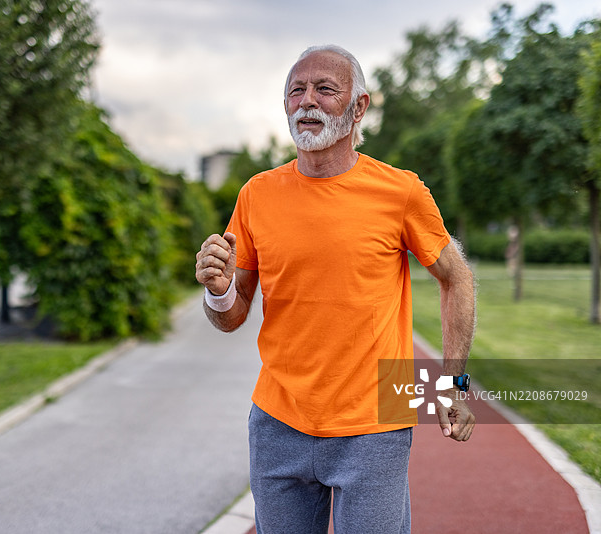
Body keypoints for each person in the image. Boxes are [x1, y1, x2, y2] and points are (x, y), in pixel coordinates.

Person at [195, 44, 476, 534]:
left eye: (325, 89)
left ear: (358, 106)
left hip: (375, 422)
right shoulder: (256, 194)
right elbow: (231, 315)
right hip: (278, 421)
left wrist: (453, 385)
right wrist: (218, 291)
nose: (307, 100)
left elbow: (457, 277)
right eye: (296, 91)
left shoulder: (401, 192)